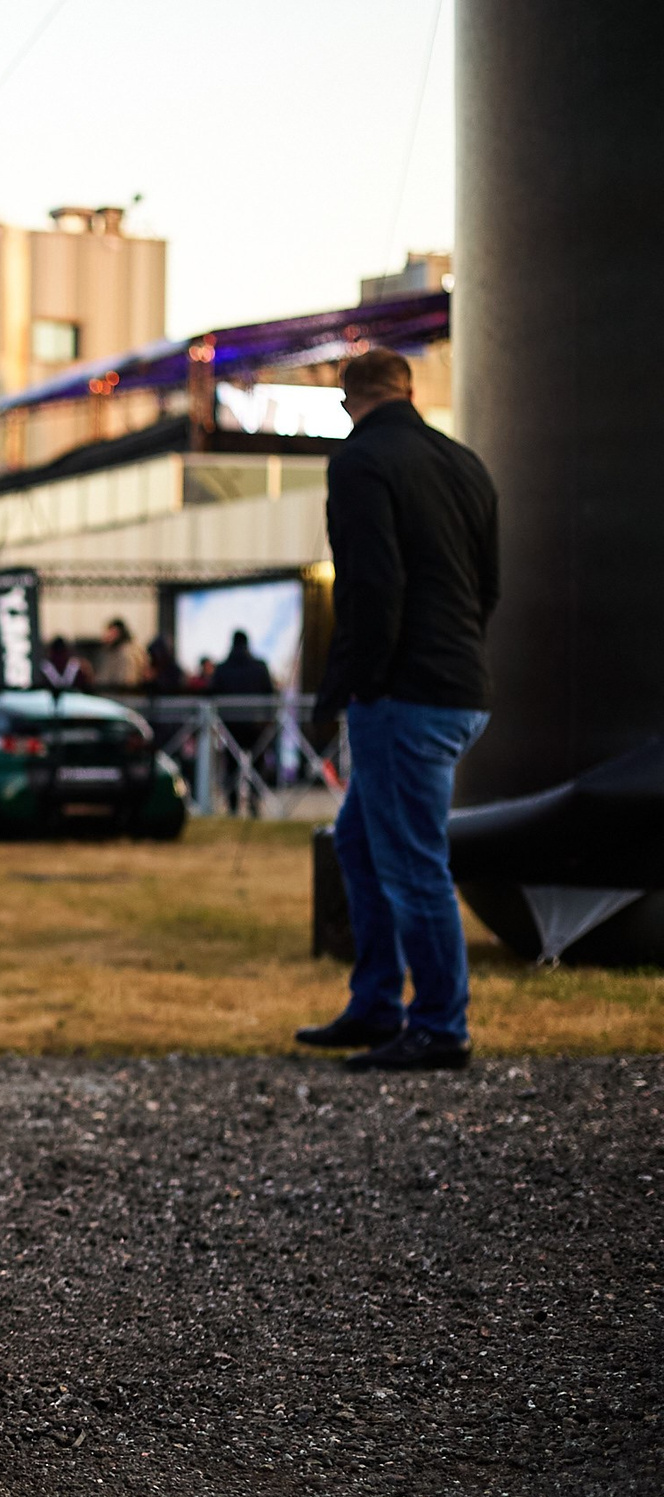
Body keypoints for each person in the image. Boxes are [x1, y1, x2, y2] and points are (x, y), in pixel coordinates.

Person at [294, 347, 497, 1072]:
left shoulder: (360, 463)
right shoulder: (465, 463)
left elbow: (371, 587)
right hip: (460, 684)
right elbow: (488, 583)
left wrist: (358, 683)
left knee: (414, 863)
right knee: (359, 841)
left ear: (350, 402)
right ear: (408, 389)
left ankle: (440, 1024)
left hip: (403, 695)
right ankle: (377, 1001)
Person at [208, 628, 276, 814]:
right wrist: (268, 720)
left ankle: (232, 806)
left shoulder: (222, 669)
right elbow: (269, 695)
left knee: (231, 766)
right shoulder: (260, 667)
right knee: (256, 765)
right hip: (256, 725)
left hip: (231, 726)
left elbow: (213, 695)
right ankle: (254, 802)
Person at [91, 617, 144, 689]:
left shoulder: (126, 653)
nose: (107, 636)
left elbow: (126, 681)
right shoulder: (111, 651)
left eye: (111, 632)